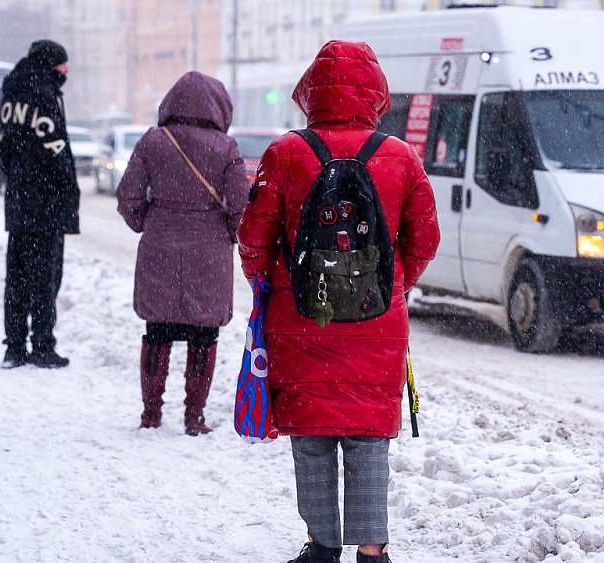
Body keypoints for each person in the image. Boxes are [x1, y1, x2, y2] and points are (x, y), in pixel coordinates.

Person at [238, 41, 440, 563]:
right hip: (379, 318)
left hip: (302, 314)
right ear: (376, 93)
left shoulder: (285, 153)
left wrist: (273, 283)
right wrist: (393, 282)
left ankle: (323, 546)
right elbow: (425, 237)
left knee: (311, 432)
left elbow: (254, 237)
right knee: (368, 434)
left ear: (311, 90)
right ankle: (372, 549)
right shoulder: (400, 156)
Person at [117, 72, 247, 436]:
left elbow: (128, 195)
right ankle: (194, 416)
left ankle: (151, 414)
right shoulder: (226, 148)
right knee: (204, 334)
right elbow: (241, 205)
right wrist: (227, 232)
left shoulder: (153, 141)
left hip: (160, 244)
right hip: (209, 252)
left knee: (157, 330)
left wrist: (148, 221)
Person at [0, 40, 79, 369]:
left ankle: (14, 347)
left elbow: (4, 150)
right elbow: (56, 151)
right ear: (50, 66)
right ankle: (42, 346)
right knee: (45, 279)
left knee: (16, 278)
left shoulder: (12, 92)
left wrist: (19, 176)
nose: (65, 72)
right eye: (62, 66)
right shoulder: (43, 95)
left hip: (18, 201)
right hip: (46, 204)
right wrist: (67, 189)